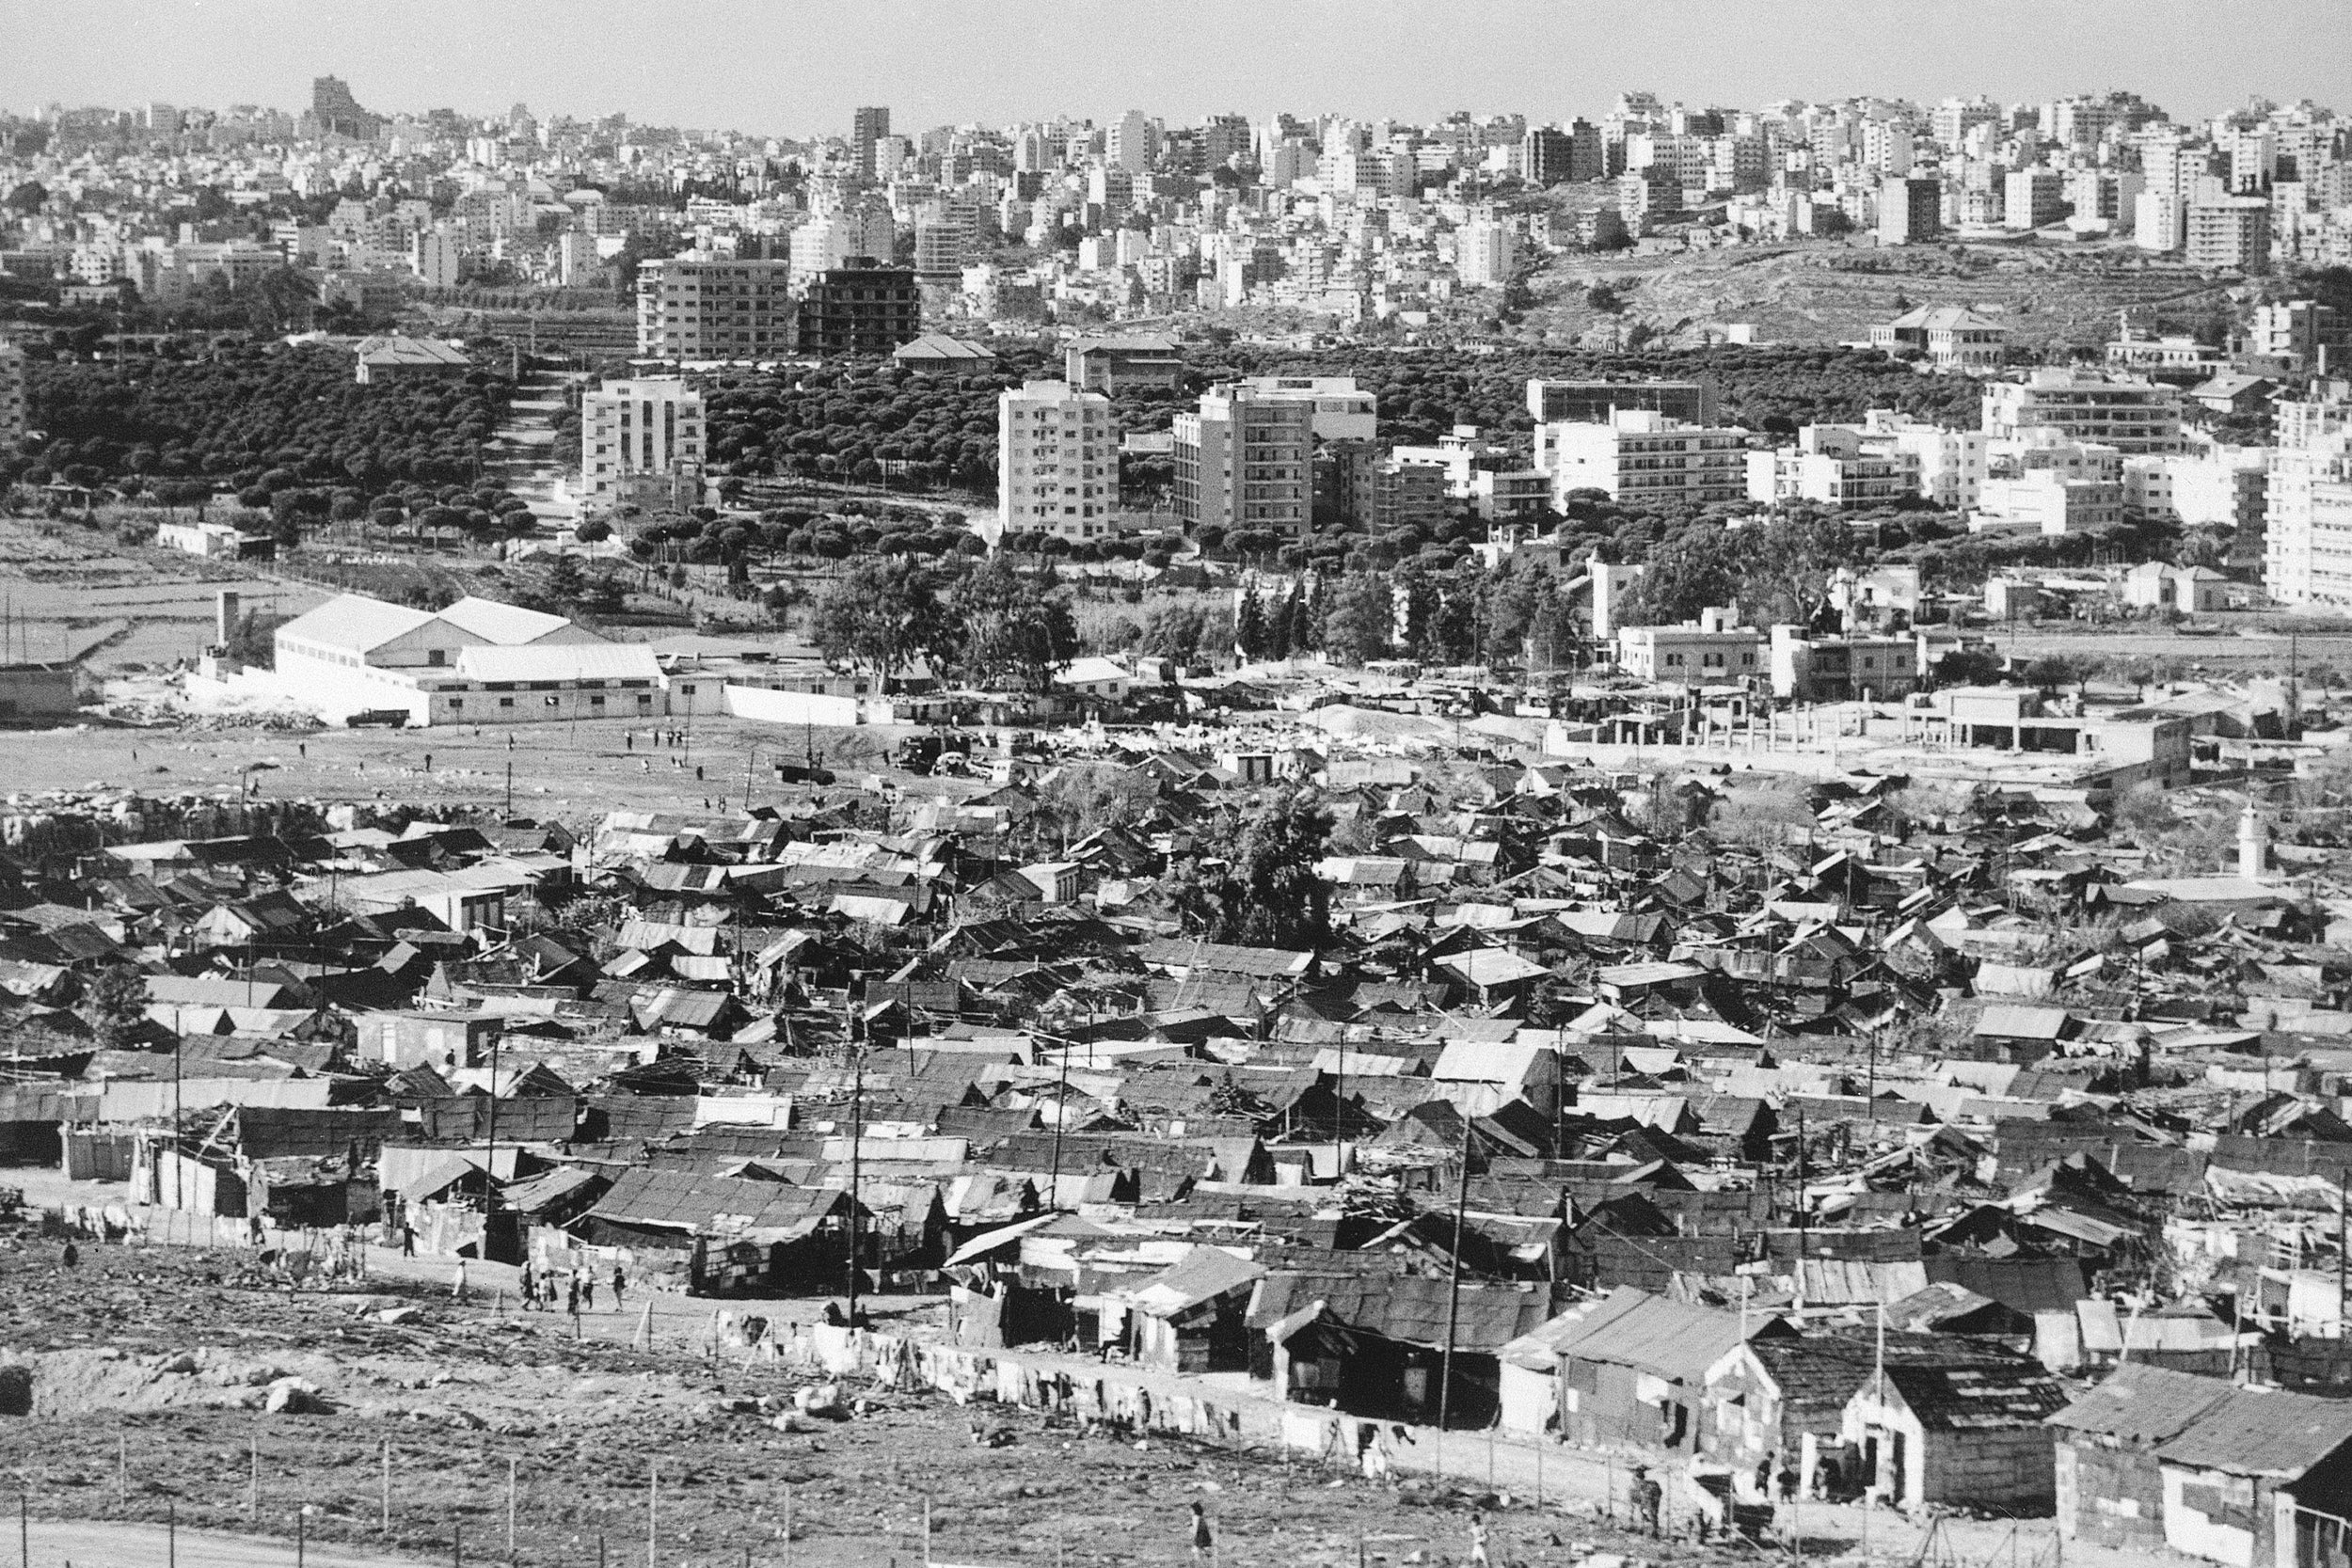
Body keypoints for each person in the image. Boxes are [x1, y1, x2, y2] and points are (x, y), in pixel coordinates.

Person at [1632, 1465, 1662, 1538]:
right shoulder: (1651, 1484)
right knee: (1651, 1514)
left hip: (1649, 1498)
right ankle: (1652, 1531)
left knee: (1649, 1513)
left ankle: (1652, 1532)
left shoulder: (1644, 1485)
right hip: (1651, 1498)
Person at [1188, 1501, 1213, 1565]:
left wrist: (1190, 1530)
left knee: (1196, 1560)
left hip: (1200, 1543)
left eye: (1191, 1510)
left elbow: (1195, 1531)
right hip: (1205, 1542)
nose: (1189, 1511)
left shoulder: (1195, 1518)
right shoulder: (1201, 1518)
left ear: (1194, 1510)